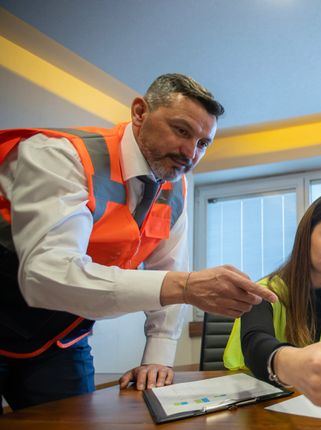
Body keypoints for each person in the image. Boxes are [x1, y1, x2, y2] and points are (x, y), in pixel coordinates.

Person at [0, 73, 277, 410]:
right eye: (181, 130)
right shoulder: (61, 156)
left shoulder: (177, 189)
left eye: (203, 144)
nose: (190, 152)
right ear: (139, 113)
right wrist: (186, 286)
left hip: (62, 339)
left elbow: (168, 265)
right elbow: (44, 276)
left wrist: (158, 355)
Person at [223, 192, 321, 409]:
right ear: (305, 236)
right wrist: (294, 363)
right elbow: (255, 343)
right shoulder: (266, 291)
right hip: (256, 405)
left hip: (316, 406)